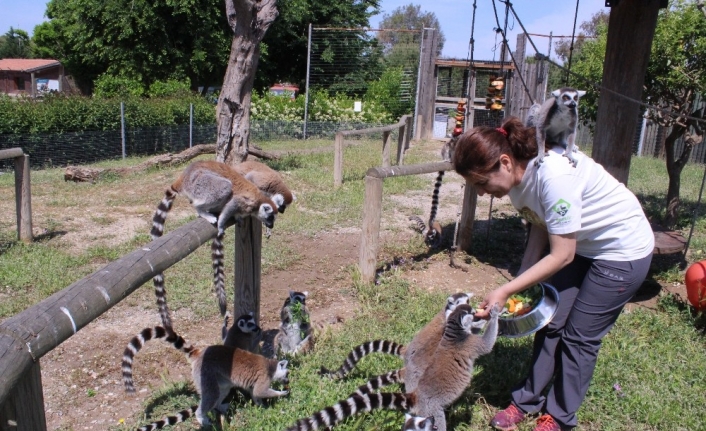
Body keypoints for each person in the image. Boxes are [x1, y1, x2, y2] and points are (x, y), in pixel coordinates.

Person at [453, 117, 654, 431]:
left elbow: (562, 255)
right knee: (550, 321)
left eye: (481, 183)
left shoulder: (553, 175)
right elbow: (539, 221)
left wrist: (506, 291)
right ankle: (525, 401)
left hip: (621, 250)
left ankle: (560, 417)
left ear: (504, 162)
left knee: (579, 337)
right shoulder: (516, 178)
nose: (480, 193)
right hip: (582, 244)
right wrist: (520, 282)